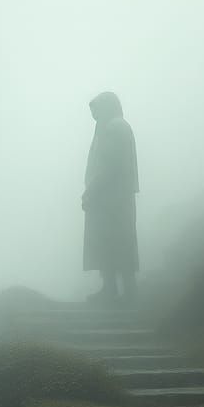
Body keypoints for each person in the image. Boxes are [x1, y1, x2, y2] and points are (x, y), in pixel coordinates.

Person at [82, 91, 139, 304]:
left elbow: (109, 165)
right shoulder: (113, 127)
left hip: (111, 199)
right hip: (110, 198)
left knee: (115, 241)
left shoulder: (115, 128)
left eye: (96, 112)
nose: (95, 117)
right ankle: (112, 287)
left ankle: (121, 290)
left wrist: (91, 190)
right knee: (111, 242)